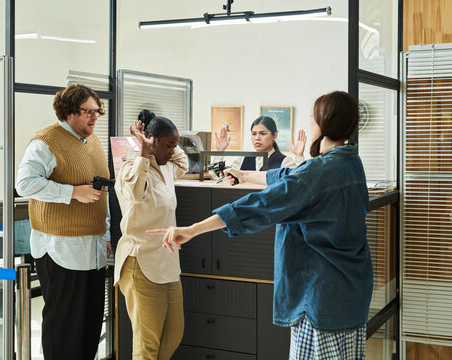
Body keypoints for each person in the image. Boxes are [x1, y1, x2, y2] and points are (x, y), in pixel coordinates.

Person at [150, 91, 373, 360]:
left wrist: (191, 229)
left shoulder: (319, 173)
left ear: (324, 124)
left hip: (320, 298)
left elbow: (259, 206)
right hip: (352, 292)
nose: (310, 123)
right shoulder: (351, 163)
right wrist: (243, 174)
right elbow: (288, 178)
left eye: (313, 118)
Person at [16, 84, 112, 360]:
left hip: (92, 249)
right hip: (60, 250)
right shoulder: (46, 141)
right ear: (69, 112)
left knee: (90, 326)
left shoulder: (91, 141)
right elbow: (24, 183)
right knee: (64, 329)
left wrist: (104, 235)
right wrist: (71, 192)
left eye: (97, 112)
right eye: (88, 112)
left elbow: (100, 191)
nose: (94, 118)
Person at [114, 110, 189, 360]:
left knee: (173, 335)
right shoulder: (129, 169)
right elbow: (135, 193)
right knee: (147, 346)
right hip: (141, 263)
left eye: (174, 146)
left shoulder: (167, 168)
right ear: (152, 140)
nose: (172, 151)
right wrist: (143, 150)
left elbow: (184, 162)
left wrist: (163, 140)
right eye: (169, 145)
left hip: (167, 263)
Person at [213, 115, 307, 170]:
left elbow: (299, 182)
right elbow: (219, 178)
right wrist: (219, 152)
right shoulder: (243, 160)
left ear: (274, 136)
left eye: (263, 133)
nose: (257, 138)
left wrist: (299, 156)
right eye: (254, 134)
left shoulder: (285, 162)